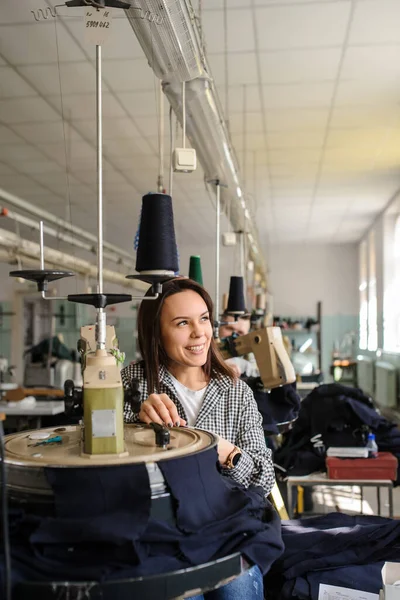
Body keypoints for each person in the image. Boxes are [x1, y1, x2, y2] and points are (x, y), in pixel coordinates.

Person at [121, 278, 275, 600]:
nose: (199, 333)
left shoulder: (235, 391)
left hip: (225, 527)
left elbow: (264, 476)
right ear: (156, 331)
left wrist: (226, 452)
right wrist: (134, 423)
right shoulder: (130, 382)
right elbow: (101, 462)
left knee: (237, 590)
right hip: (157, 531)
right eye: (182, 323)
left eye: (203, 319)